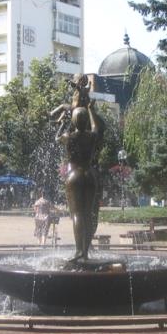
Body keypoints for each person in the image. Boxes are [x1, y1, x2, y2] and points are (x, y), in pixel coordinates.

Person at [56, 100, 104, 261]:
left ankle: (78, 251)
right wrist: (90, 110)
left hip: (74, 177)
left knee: (77, 214)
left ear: (74, 121)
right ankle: (85, 251)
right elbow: (96, 127)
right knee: (88, 214)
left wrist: (62, 124)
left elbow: (57, 138)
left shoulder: (68, 137)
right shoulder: (92, 136)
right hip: (90, 175)